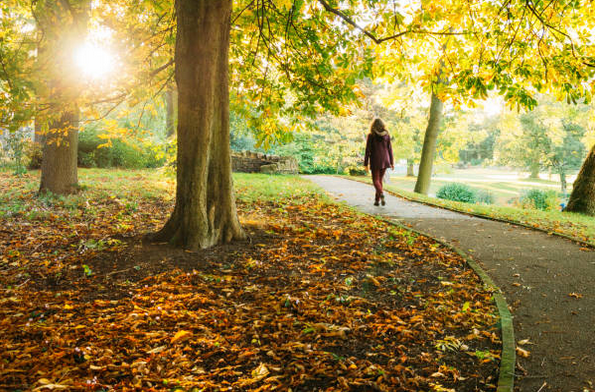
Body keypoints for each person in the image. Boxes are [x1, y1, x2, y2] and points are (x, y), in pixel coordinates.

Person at [364, 118, 394, 206]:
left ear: (373, 125)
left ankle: (381, 193)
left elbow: (367, 150)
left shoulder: (371, 135)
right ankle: (377, 201)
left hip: (375, 160)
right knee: (379, 180)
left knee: (376, 180)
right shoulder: (387, 135)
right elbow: (390, 150)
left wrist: (366, 163)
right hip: (385, 160)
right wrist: (392, 162)